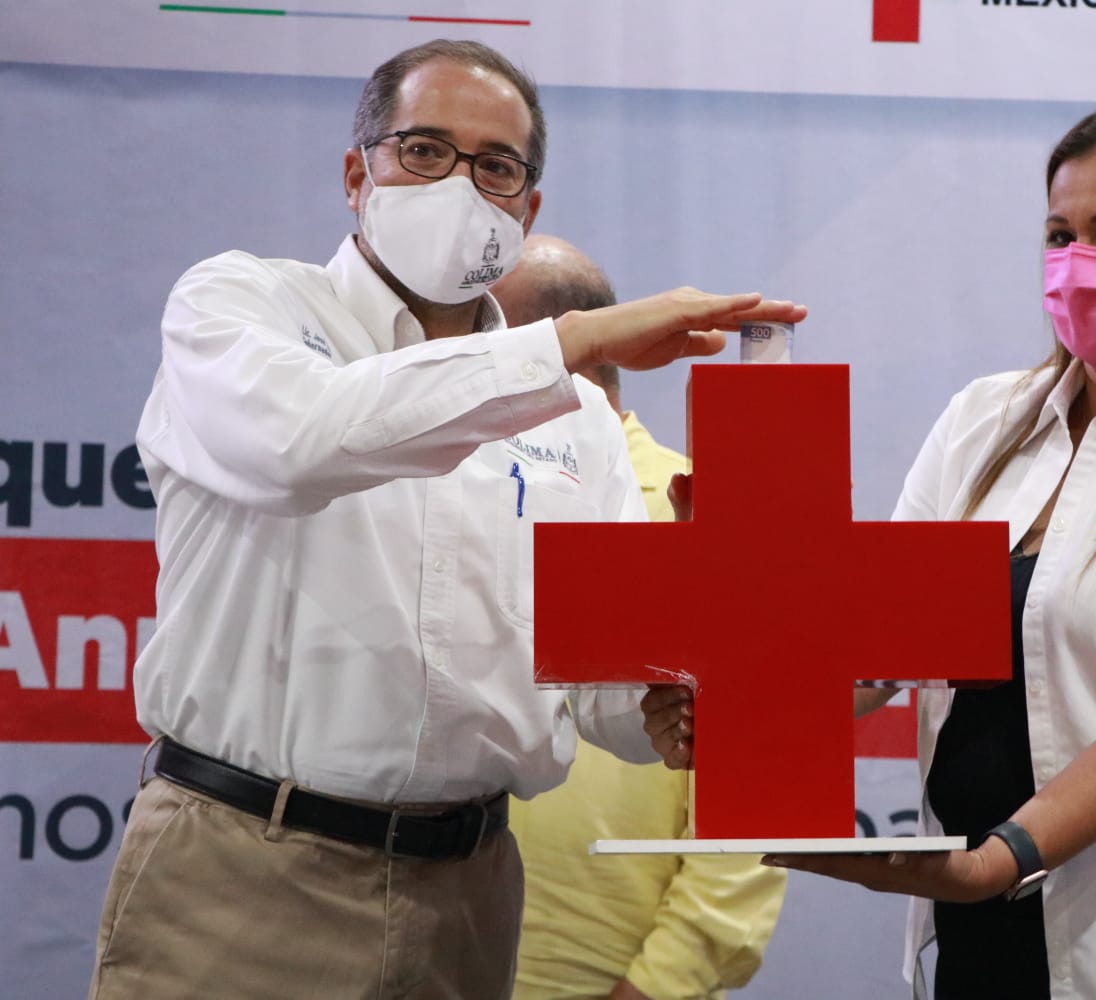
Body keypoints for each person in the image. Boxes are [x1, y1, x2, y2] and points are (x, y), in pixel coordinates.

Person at [87, 39, 804, 1000]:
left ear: (526, 209)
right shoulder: (241, 304)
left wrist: (674, 699)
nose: (460, 187)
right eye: (424, 150)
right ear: (358, 174)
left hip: (470, 892)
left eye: (496, 166)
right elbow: (305, 442)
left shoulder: (580, 417)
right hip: (246, 868)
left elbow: (599, 692)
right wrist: (571, 341)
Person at [648, 98, 1096, 999]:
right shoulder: (985, 420)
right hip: (987, 942)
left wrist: (998, 862)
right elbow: (874, 646)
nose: (1079, 263)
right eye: (1061, 236)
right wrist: (736, 707)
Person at [492, 235, 787, 1000]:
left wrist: (660, 983)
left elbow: (755, 800)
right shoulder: (460, 504)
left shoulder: (706, 518)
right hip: (439, 952)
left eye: (478, 344)